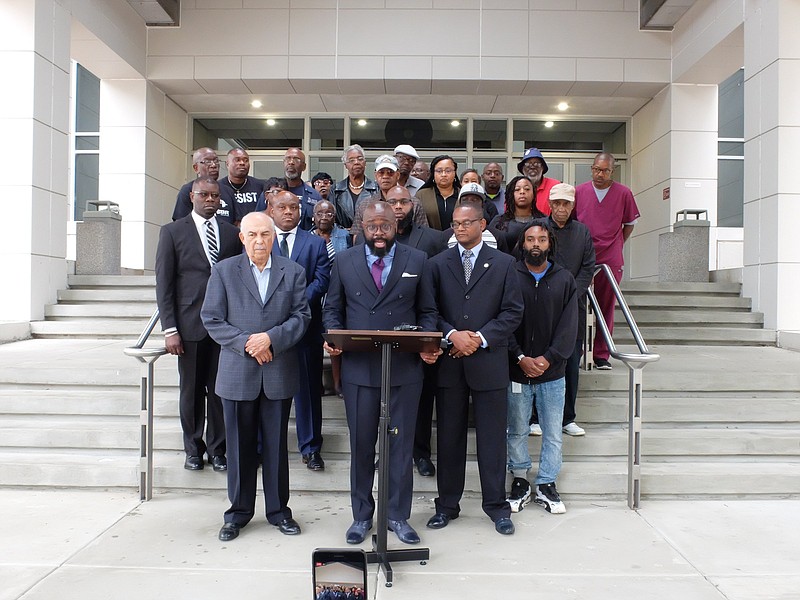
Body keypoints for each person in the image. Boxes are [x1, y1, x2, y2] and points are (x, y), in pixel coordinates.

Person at [323, 200, 440, 546]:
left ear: (396, 226)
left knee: (400, 448)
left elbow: (428, 310)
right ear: (361, 226)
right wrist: (333, 339)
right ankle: (361, 516)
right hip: (360, 371)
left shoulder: (417, 260)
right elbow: (333, 309)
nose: (378, 233)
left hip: (404, 371)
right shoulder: (343, 261)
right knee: (361, 446)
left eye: (384, 226)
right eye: (372, 226)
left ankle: (397, 516)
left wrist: (426, 343)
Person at [201, 211, 311, 541]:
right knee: (238, 447)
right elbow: (212, 318)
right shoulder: (223, 272)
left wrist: (271, 339)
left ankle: (279, 512)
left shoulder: (293, 272)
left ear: (274, 237)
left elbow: (301, 316)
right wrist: (249, 343)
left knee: (277, 447)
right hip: (238, 371)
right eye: (253, 235)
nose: (260, 240)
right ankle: (237, 513)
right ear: (242, 237)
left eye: (265, 234)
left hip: (277, 371)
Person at [419, 203, 523, 536]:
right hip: (451, 364)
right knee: (449, 439)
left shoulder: (506, 264)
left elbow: (512, 313)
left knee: (493, 441)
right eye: (455, 224)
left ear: (482, 224)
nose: (460, 229)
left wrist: (478, 338)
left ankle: (497, 507)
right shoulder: (436, 264)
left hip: (488, 363)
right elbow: (428, 311)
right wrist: (451, 335)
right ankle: (447, 505)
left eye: (466, 223)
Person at [155, 177, 241, 472]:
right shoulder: (172, 232)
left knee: (220, 391)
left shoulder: (232, 234)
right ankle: (193, 449)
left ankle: (218, 450)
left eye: (215, 196)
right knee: (191, 391)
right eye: (204, 194)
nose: (210, 200)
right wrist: (170, 329)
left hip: (225, 328)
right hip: (188, 327)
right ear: (191, 195)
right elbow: (164, 284)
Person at [506, 219, 577, 515]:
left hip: (553, 372)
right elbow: (502, 320)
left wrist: (549, 358)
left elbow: (569, 326)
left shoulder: (564, 279)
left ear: (550, 244)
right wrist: (519, 356)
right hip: (516, 368)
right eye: (531, 239)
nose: (536, 244)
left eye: (542, 240)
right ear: (523, 243)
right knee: (518, 429)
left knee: (552, 432)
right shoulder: (510, 275)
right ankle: (520, 479)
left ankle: (547, 483)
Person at [382, 184, 446, 478]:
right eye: (392, 202)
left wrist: (431, 336)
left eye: (403, 202)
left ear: (413, 206)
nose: (398, 207)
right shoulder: (373, 237)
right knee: (384, 399)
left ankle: (420, 452)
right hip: (382, 334)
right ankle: (384, 454)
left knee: (421, 400)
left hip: (420, 332)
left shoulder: (433, 239)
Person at [266, 191, 331, 471]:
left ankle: (311, 447)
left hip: (305, 328)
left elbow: (322, 278)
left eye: (294, 207)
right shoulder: (262, 240)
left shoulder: (315, 242)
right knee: (270, 392)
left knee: (307, 392)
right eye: (282, 207)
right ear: (271, 210)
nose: (289, 212)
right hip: (269, 330)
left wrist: (296, 303)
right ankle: (266, 447)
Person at [530, 183, 596, 437]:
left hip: (573, 308)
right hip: (541, 305)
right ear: (550, 205)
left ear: (572, 206)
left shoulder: (582, 232)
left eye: (565, 204)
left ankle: (567, 417)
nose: (560, 209)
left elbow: (588, 268)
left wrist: (570, 295)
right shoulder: (539, 229)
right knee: (539, 359)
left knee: (569, 363)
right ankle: (535, 418)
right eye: (556, 203)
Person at [574, 153, 640, 371]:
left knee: (606, 304)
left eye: (604, 170)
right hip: (583, 254)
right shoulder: (580, 191)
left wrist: (617, 244)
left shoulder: (623, 193)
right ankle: (577, 350)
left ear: (613, 171)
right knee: (577, 305)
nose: (599, 174)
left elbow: (629, 224)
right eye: (596, 169)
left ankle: (601, 354)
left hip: (610, 256)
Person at [311, 199, 351, 397]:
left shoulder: (344, 236)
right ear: (313, 216)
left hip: (337, 295)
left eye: (328, 214)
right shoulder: (308, 237)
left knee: (335, 340)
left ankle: (338, 384)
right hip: (314, 296)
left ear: (334, 217)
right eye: (320, 213)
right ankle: (316, 384)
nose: (324, 217)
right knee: (314, 340)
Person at [349, 155, 429, 239]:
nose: (385, 176)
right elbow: (357, 237)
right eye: (381, 172)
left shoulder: (414, 203)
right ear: (375, 175)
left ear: (397, 175)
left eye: (390, 172)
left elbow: (423, 235)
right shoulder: (365, 205)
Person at [171, 148, 234, 223]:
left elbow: (235, 222)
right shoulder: (188, 190)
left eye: (216, 161)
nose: (213, 165)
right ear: (196, 168)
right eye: (207, 161)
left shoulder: (228, 191)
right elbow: (180, 223)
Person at [488, 175, 545, 251]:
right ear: (511, 194)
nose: (522, 192)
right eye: (517, 189)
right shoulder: (499, 221)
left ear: (534, 194)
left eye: (527, 189)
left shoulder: (544, 221)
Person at [330, 144, 378, 229]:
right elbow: (331, 218)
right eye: (351, 160)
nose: (356, 162)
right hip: (342, 238)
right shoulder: (335, 190)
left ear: (365, 163)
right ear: (345, 165)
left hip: (369, 236)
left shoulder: (376, 188)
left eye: (360, 159)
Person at [218, 148, 265, 225]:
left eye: (246, 160)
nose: (242, 163)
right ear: (227, 164)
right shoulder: (218, 188)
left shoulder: (261, 186)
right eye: (237, 160)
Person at [417, 155, 460, 230]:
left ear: (454, 173)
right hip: (429, 240)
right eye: (439, 171)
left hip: (459, 240)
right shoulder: (421, 195)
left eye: (448, 171)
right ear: (433, 174)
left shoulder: (463, 195)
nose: (444, 175)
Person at [517, 147, 560, 216]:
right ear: (522, 169)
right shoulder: (515, 188)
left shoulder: (555, 186)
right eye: (528, 164)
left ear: (542, 168)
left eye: (537, 164)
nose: (532, 167)